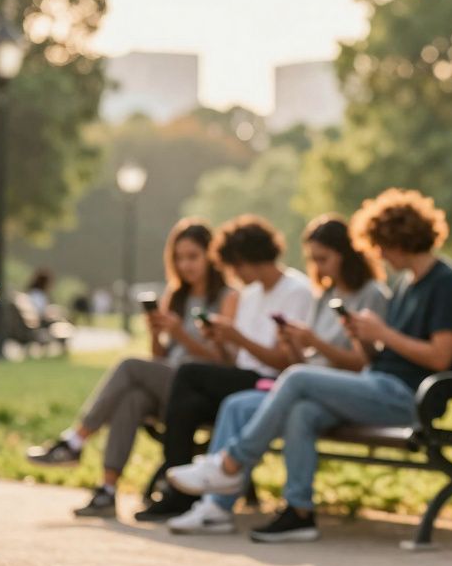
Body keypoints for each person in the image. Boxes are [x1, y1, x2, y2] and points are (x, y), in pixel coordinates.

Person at [166, 189, 452, 544]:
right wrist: (361, 336)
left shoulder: (446, 284)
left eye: (382, 245)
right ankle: (297, 513)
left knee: (297, 378)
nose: (379, 254)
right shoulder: (407, 284)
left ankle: (230, 465)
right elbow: (378, 358)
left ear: (400, 240)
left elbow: (440, 357)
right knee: (299, 411)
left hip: (409, 397)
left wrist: (382, 333)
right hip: (378, 384)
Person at [164, 214, 391, 535]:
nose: (317, 267)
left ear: (347, 253)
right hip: (309, 384)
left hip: (347, 389)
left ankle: (230, 466)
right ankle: (217, 508)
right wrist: (297, 346)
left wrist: (312, 344)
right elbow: (305, 361)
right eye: (312, 259)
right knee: (238, 404)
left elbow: (362, 363)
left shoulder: (372, 294)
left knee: (291, 394)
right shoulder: (324, 295)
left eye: (323, 259)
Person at [25, 219, 235, 517]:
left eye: (193, 257)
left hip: (200, 388)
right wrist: (155, 332)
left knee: (128, 366)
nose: (186, 265)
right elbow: (161, 355)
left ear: (210, 257)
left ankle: (75, 441)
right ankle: (108, 490)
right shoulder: (177, 296)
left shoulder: (228, 298)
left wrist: (181, 334)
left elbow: (225, 361)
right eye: (179, 258)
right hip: (170, 382)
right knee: (132, 397)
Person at [135, 214, 316, 521]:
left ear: (249, 260)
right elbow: (233, 360)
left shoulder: (296, 291)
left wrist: (238, 337)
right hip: (242, 377)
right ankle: (182, 490)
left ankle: (176, 486)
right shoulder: (251, 293)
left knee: (188, 373)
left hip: (272, 381)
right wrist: (219, 340)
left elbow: (285, 362)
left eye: (235, 266)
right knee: (190, 401)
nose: (233, 273)